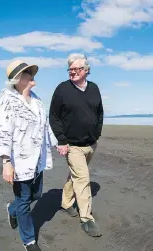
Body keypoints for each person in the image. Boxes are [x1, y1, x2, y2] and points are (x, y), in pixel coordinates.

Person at [0, 60, 57, 251]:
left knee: (36, 195)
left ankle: (11, 210)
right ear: (17, 79)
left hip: (37, 158)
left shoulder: (37, 99)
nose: (32, 75)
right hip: (19, 160)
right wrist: (6, 162)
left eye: (31, 71)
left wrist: (58, 143)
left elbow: (45, 125)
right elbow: (3, 132)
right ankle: (29, 239)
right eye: (27, 72)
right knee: (23, 199)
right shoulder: (7, 100)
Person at [49, 53, 104, 237]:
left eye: (76, 69)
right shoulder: (62, 89)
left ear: (86, 70)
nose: (72, 72)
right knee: (82, 179)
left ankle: (65, 203)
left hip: (90, 144)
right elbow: (54, 117)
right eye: (70, 69)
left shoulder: (94, 88)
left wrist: (97, 134)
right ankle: (86, 219)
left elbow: (99, 113)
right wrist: (62, 141)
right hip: (72, 145)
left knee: (76, 176)